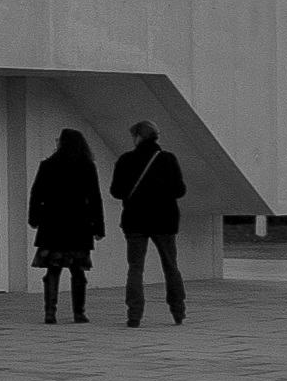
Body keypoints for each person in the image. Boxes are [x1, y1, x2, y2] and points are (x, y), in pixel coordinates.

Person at [109, 119, 187, 326]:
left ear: (139, 137)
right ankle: (178, 311)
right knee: (170, 265)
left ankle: (134, 315)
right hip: (165, 220)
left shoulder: (126, 160)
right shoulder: (168, 159)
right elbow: (180, 190)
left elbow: (116, 191)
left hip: (135, 221)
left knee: (135, 267)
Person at [24, 127, 103, 325]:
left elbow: (36, 194)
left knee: (52, 270)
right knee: (78, 271)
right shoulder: (86, 166)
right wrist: (98, 226)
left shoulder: (48, 165)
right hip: (79, 225)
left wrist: (34, 218)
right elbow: (95, 198)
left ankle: (50, 312)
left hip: (52, 224)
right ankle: (79, 313)